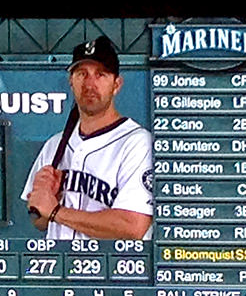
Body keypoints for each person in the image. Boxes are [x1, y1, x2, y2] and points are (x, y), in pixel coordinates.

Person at [23, 35, 153, 240]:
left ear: (116, 85)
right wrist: (41, 200)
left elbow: (133, 226)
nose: (90, 84)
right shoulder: (55, 145)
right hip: (60, 267)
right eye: (82, 74)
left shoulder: (137, 143)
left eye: (100, 74)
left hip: (112, 270)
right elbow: (39, 221)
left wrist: (57, 212)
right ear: (71, 82)